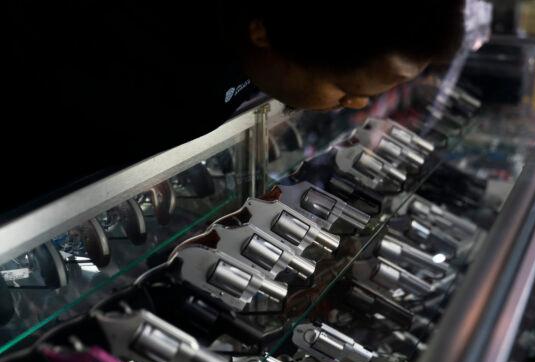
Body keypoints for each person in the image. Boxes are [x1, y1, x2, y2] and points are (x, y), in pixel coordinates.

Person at [3, 0, 465, 219]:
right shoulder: (116, 53)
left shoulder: (252, 45)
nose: (357, 105)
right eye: (344, 89)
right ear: (264, 33)